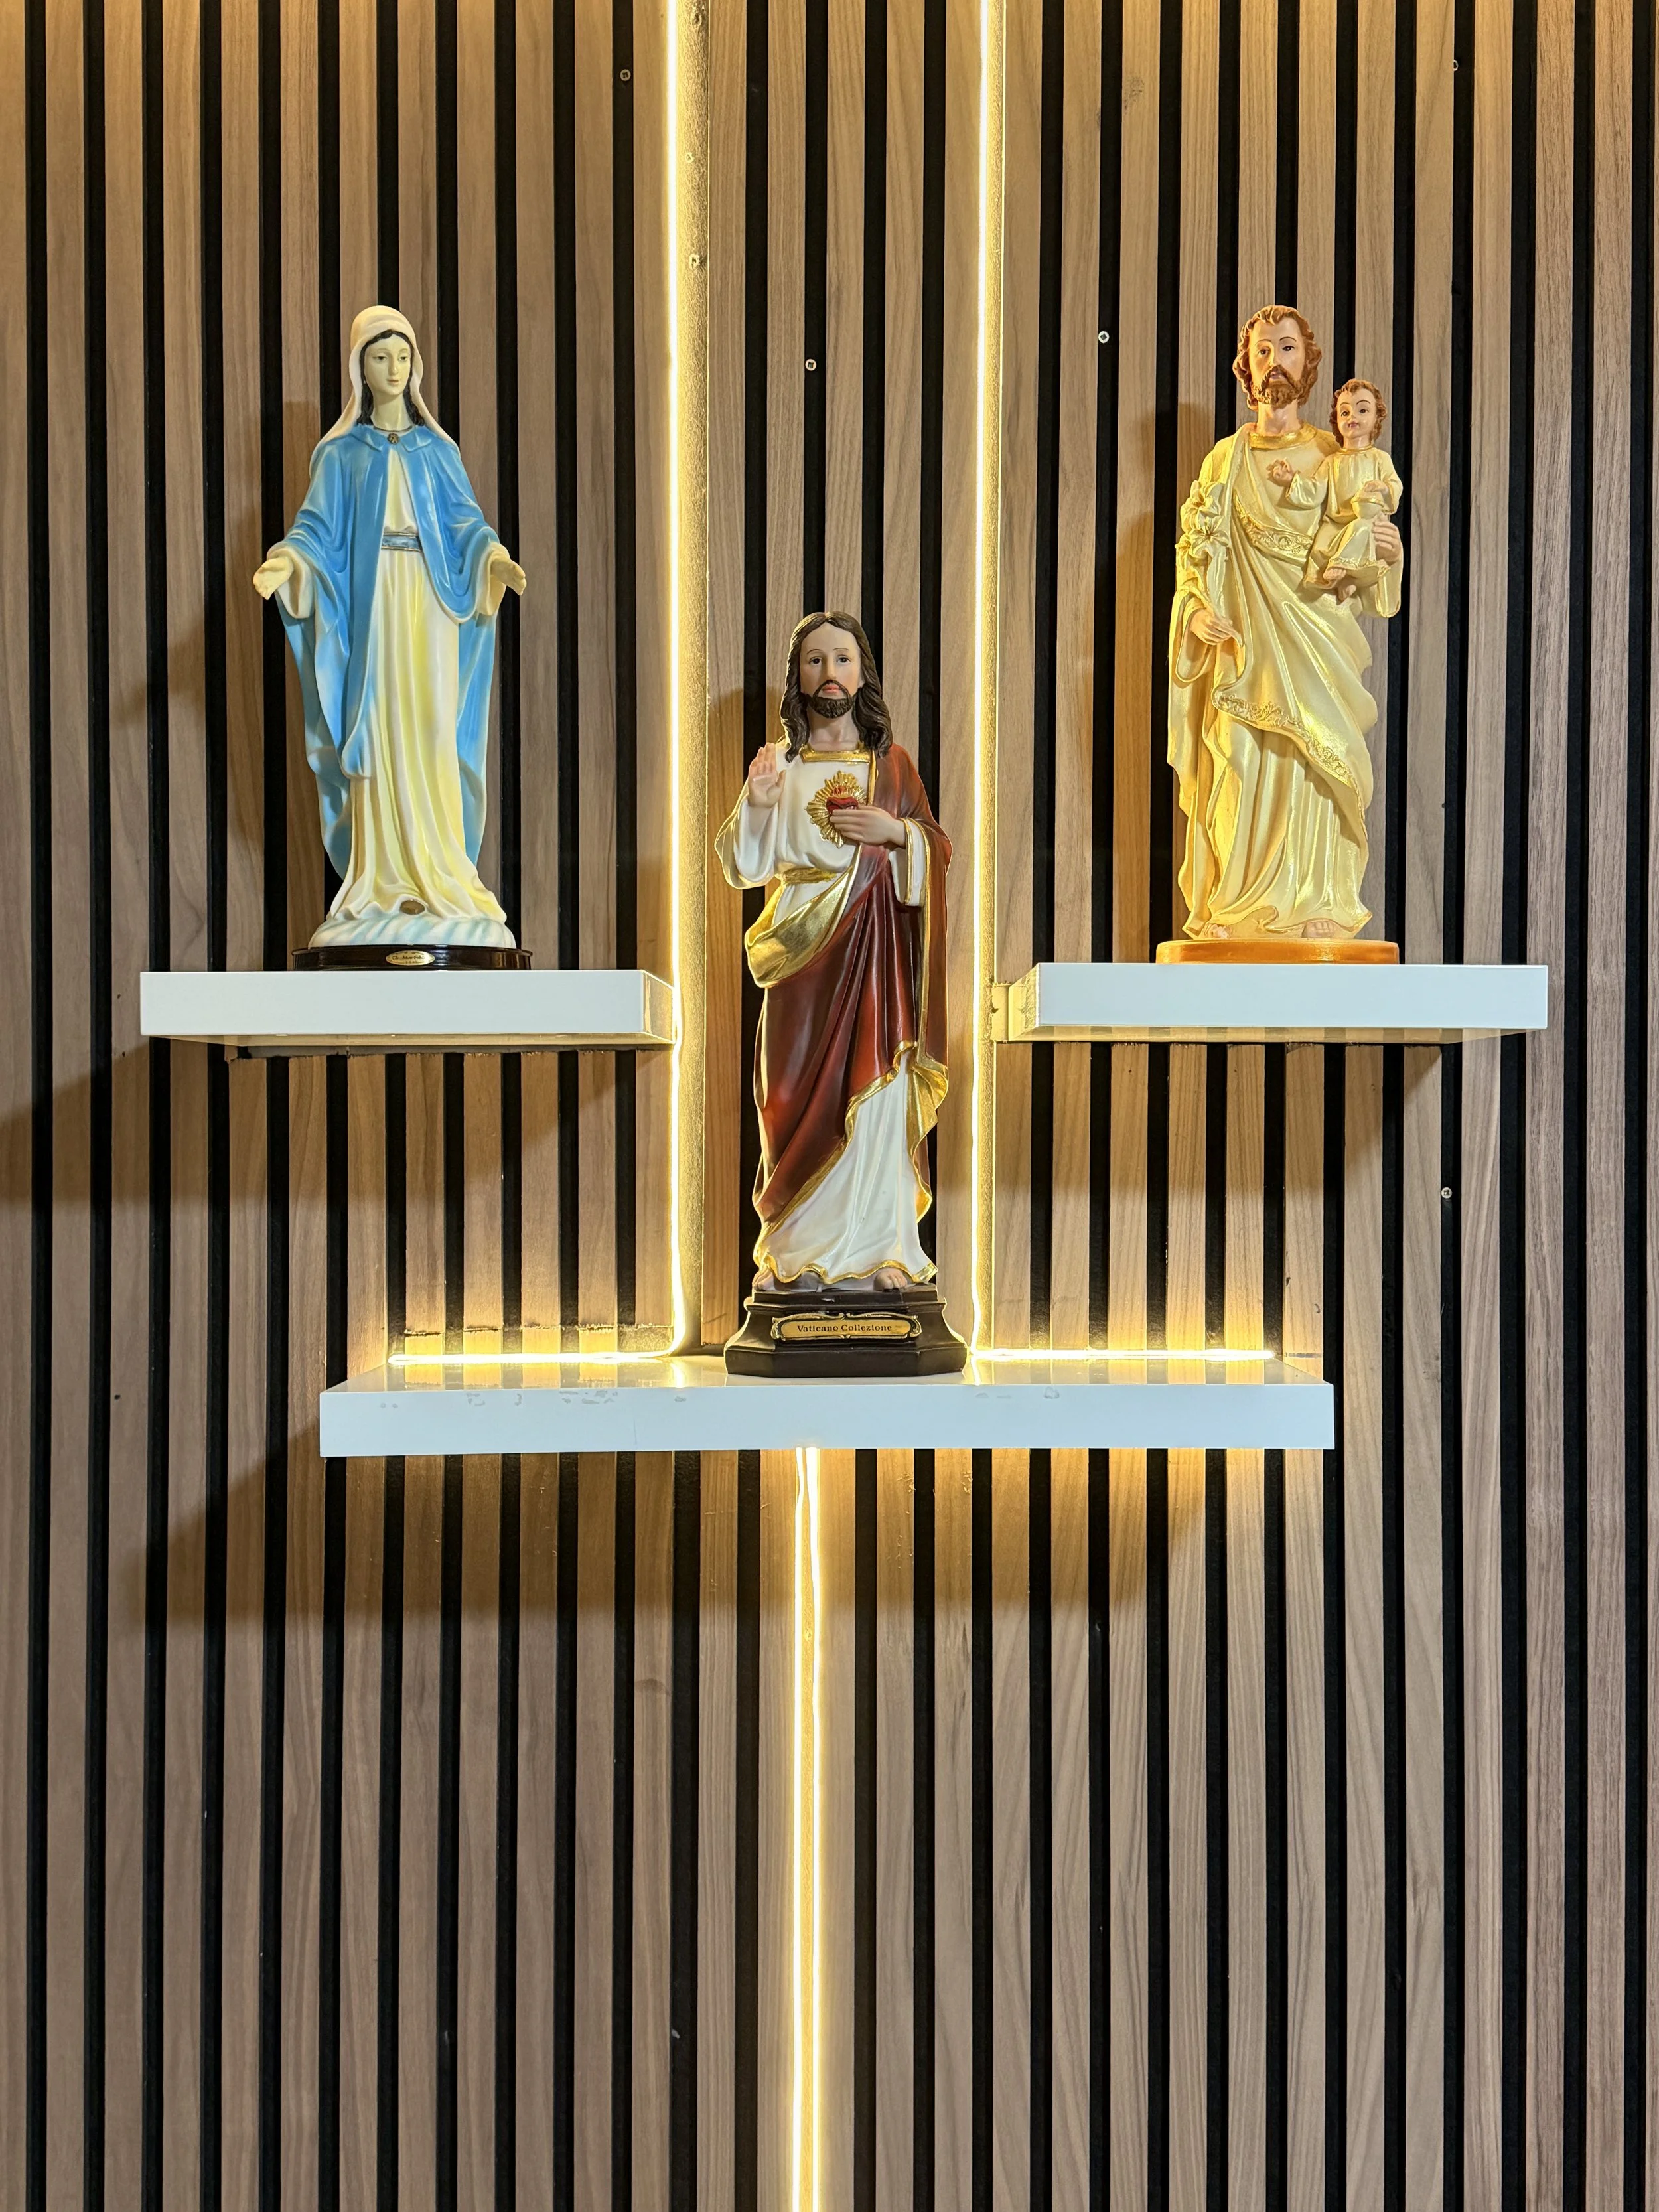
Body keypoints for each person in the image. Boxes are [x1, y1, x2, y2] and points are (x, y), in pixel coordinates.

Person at [253, 305, 526, 954]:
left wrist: (492, 559)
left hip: (430, 605)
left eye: (403, 356)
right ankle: (380, 881)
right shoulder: (342, 454)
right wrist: (288, 563)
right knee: (378, 730)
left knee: (431, 729)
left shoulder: (437, 451)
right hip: (371, 607)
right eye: (380, 358)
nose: (394, 369)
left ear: (417, 366)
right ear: (359, 368)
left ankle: (442, 874)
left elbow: (467, 525)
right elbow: (314, 531)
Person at [715, 612, 950, 1292]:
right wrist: (756, 804)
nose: (829, 674)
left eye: (841, 659)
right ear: (798, 677)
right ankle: (794, 1257)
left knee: (874, 1102)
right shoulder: (778, 764)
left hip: (875, 965)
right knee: (787, 1096)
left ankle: (882, 1256)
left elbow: (937, 850)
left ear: (862, 673)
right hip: (797, 959)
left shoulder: (892, 767)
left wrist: (896, 832)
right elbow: (741, 865)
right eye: (814, 661)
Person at [1167, 306, 1404, 945]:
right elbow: (1195, 555)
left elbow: (1364, 557)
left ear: (1310, 364)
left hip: (1316, 641)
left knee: (1313, 765)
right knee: (1240, 761)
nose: (1276, 362)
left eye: (1289, 349)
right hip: (1243, 650)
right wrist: (1196, 611)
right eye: (1264, 351)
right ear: (1247, 368)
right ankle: (1234, 904)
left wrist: (1384, 548)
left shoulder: (1336, 455)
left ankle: (1319, 899)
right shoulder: (1225, 460)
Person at [1273, 375, 1403, 596]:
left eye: (1362, 411)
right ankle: (1345, 579)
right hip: (1335, 526)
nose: (1353, 417)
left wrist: (1382, 488)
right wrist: (1292, 480)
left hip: (1367, 522)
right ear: (1337, 419)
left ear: (1376, 418)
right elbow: (1315, 490)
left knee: (1360, 529)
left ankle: (1347, 574)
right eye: (1345, 412)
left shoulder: (1379, 458)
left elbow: (1394, 487)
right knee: (1323, 545)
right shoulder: (1332, 461)